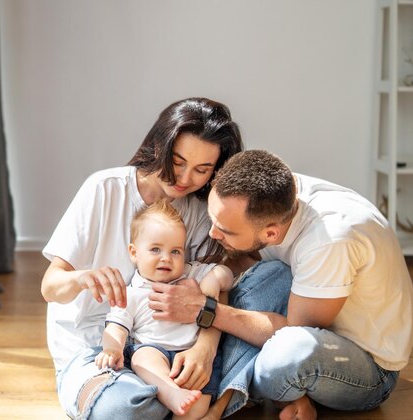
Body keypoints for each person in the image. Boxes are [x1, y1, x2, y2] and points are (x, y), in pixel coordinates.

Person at [41, 97, 288, 420]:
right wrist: (81, 278)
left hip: (180, 345)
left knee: (275, 277)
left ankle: (184, 400)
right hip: (98, 353)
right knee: (121, 411)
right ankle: (215, 399)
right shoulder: (104, 189)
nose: (185, 178)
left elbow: (213, 287)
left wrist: (205, 348)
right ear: (160, 144)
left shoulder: (199, 212)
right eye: (178, 160)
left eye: (202, 170)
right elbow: (50, 286)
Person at [149, 149, 413, 419]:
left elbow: (295, 332)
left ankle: (216, 401)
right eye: (213, 220)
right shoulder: (271, 195)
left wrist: (204, 309)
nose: (212, 233)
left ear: (271, 232)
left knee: (282, 357)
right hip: (306, 323)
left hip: (367, 365)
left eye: (225, 230)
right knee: (267, 278)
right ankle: (229, 389)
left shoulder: (328, 240)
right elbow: (247, 266)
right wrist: (202, 284)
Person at [95, 199, 234, 419]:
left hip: (192, 355)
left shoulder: (192, 274)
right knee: (143, 357)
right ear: (134, 253)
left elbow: (227, 274)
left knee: (196, 407)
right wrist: (112, 349)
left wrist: (214, 280)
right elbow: (116, 327)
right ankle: (169, 392)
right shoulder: (131, 293)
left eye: (176, 251)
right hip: (154, 351)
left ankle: (181, 407)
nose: (166, 258)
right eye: (155, 249)